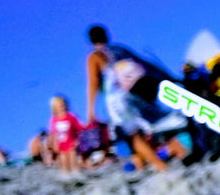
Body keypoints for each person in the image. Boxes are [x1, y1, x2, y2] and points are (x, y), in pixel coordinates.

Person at [84, 24, 189, 172]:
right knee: (152, 127)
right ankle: (172, 154)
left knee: (132, 135)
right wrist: (171, 78)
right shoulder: (120, 50)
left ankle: (162, 167)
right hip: (137, 93)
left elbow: (93, 82)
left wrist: (90, 109)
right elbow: (146, 64)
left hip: (118, 100)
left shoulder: (95, 56)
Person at [47, 95, 84, 173]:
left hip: (71, 143)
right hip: (61, 146)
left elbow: (79, 128)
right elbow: (53, 133)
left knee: (72, 158)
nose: (62, 106)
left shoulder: (71, 116)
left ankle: (76, 174)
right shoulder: (53, 119)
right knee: (63, 161)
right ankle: (65, 176)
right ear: (54, 108)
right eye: (60, 105)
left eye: (63, 104)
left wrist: (78, 140)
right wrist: (52, 144)